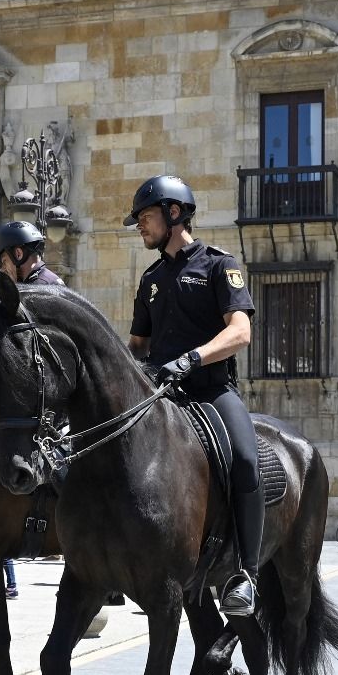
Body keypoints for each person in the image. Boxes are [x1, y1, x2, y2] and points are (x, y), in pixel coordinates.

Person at [125, 174, 261, 616]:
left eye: (146, 217)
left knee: (244, 457)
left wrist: (192, 359)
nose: (140, 226)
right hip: (162, 396)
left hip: (211, 390)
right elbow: (137, 347)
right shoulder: (149, 279)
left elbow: (240, 331)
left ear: (174, 213)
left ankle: (246, 574)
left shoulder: (219, 264)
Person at [0, 220, 62, 285]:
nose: (3, 269)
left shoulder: (36, 290)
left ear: (18, 254)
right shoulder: (48, 281)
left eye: (4, 262)